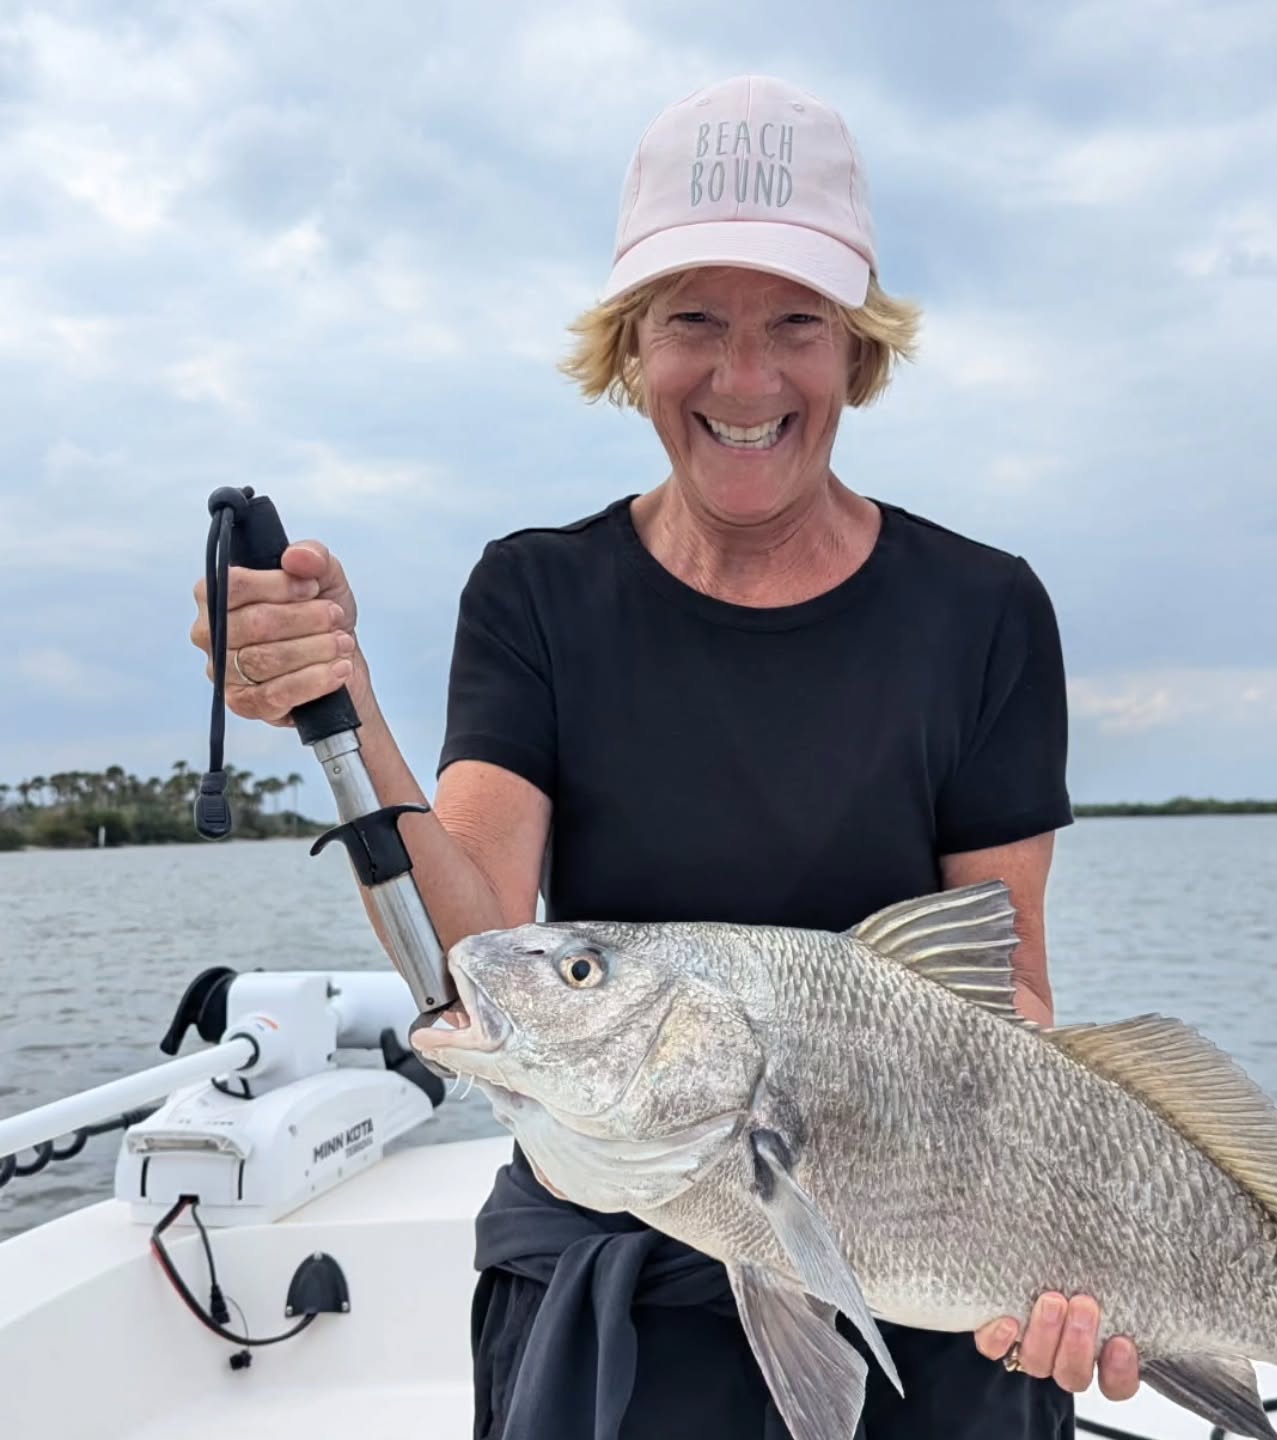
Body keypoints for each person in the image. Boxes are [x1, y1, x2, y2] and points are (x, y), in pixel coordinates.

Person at [192, 73, 1142, 1440]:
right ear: (631, 346)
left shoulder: (985, 610)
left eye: (796, 324)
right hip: (611, 1266)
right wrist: (347, 706)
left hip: (928, 1271)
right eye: (694, 319)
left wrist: (1072, 1257)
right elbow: (478, 954)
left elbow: (1012, 999)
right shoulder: (534, 596)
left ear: (856, 351)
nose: (745, 379)